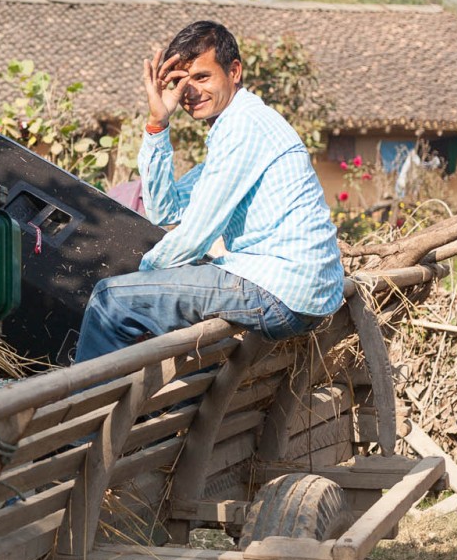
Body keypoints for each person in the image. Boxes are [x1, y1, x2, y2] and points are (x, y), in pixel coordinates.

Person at [73, 21, 343, 361]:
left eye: (202, 77)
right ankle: (170, 404)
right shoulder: (235, 129)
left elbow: (195, 235)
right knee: (143, 291)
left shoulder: (245, 126)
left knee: (110, 300)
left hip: (280, 289)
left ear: (234, 71)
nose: (191, 91)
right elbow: (164, 211)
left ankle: (81, 412)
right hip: (295, 290)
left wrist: (138, 278)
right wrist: (158, 123)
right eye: (180, 81)